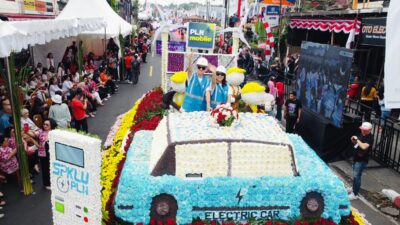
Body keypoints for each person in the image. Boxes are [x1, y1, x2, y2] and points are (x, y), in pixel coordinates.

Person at [348, 122, 374, 200]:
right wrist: (353, 139)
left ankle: (355, 193)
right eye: (362, 129)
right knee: (355, 176)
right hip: (356, 158)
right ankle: (353, 189)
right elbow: (356, 143)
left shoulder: (370, 138)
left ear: (369, 130)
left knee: (357, 176)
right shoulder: (361, 135)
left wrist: (357, 139)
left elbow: (363, 146)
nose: (363, 131)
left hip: (362, 160)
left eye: (365, 130)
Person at [35, 118, 57, 190]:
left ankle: (54, 181)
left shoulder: (54, 132)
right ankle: (47, 183)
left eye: (47, 124)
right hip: (43, 154)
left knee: (53, 168)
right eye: (44, 124)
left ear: (51, 125)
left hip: (53, 153)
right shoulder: (40, 131)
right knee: (45, 169)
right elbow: (33, 134)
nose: (45, 126)